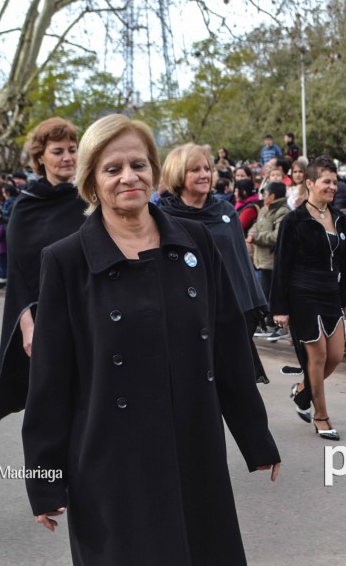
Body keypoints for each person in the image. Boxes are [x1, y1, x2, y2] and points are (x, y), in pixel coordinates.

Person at [22, 114, 280, 564]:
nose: (128, 177)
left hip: (193, 446)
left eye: (138, 165)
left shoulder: (195, 242)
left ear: (155, 172)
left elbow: (227, 344)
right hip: (110, 457)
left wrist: (256, 437)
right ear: (90, 180)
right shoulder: (65, 261)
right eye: (112, 168)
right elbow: (50, 379)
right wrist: (45, 480)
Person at [0, 117, 87, 421]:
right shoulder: (26, 206)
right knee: (53, 408)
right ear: (40, 157)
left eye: (73, 149)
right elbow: (18, 272)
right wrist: (27, 325)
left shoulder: (92, 198)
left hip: (92, 310)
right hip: (48, 317)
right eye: (58, 151)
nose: (68, 157)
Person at [160, 144, 271, 383]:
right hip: (186, 316)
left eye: (206, 168)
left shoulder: (226, 211)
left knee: (232, 385)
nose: (204, 175)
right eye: (194, 170)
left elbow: (240, 263)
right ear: (178, 174)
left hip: (230, 311)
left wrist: (250, 304)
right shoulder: (162, 218)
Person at [270, 156, 346, 441]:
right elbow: (281, 264)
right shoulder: (294, 220)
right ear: (309, 183)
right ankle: (321, 416)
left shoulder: (340, 218)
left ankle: (302, 390)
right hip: (302, 294)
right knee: (316, 357)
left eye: (335, 181)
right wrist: (279, 308)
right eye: (326, 182)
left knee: (336, 355)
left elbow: (345, 263)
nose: (332, 187)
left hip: (332, 294)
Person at [247, 181, 289, 334]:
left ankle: (276, 325)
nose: (262, 196)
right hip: (263, 260)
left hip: (274, 260)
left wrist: (256, 237)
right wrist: (252, 233)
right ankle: (268, 322)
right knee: (265, 292)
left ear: (272, 196)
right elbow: (255, 225)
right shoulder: (264, 209)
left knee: (274, 293)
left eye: (264, 194)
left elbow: (277, 236)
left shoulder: (283, 212)